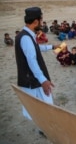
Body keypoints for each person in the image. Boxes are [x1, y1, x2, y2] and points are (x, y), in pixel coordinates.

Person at [15, 7, 59, 135]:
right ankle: (47, 130)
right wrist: (43, 80)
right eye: (41, 20)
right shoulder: (26, 38)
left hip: (33, 79)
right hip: (34, 81)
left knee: (41, 108)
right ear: (35, 21)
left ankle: (43, 129)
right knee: (44, 107)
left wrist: (52, 47)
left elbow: (35, 49)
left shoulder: (25, 35)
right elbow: (32, 60)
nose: (42, 22)